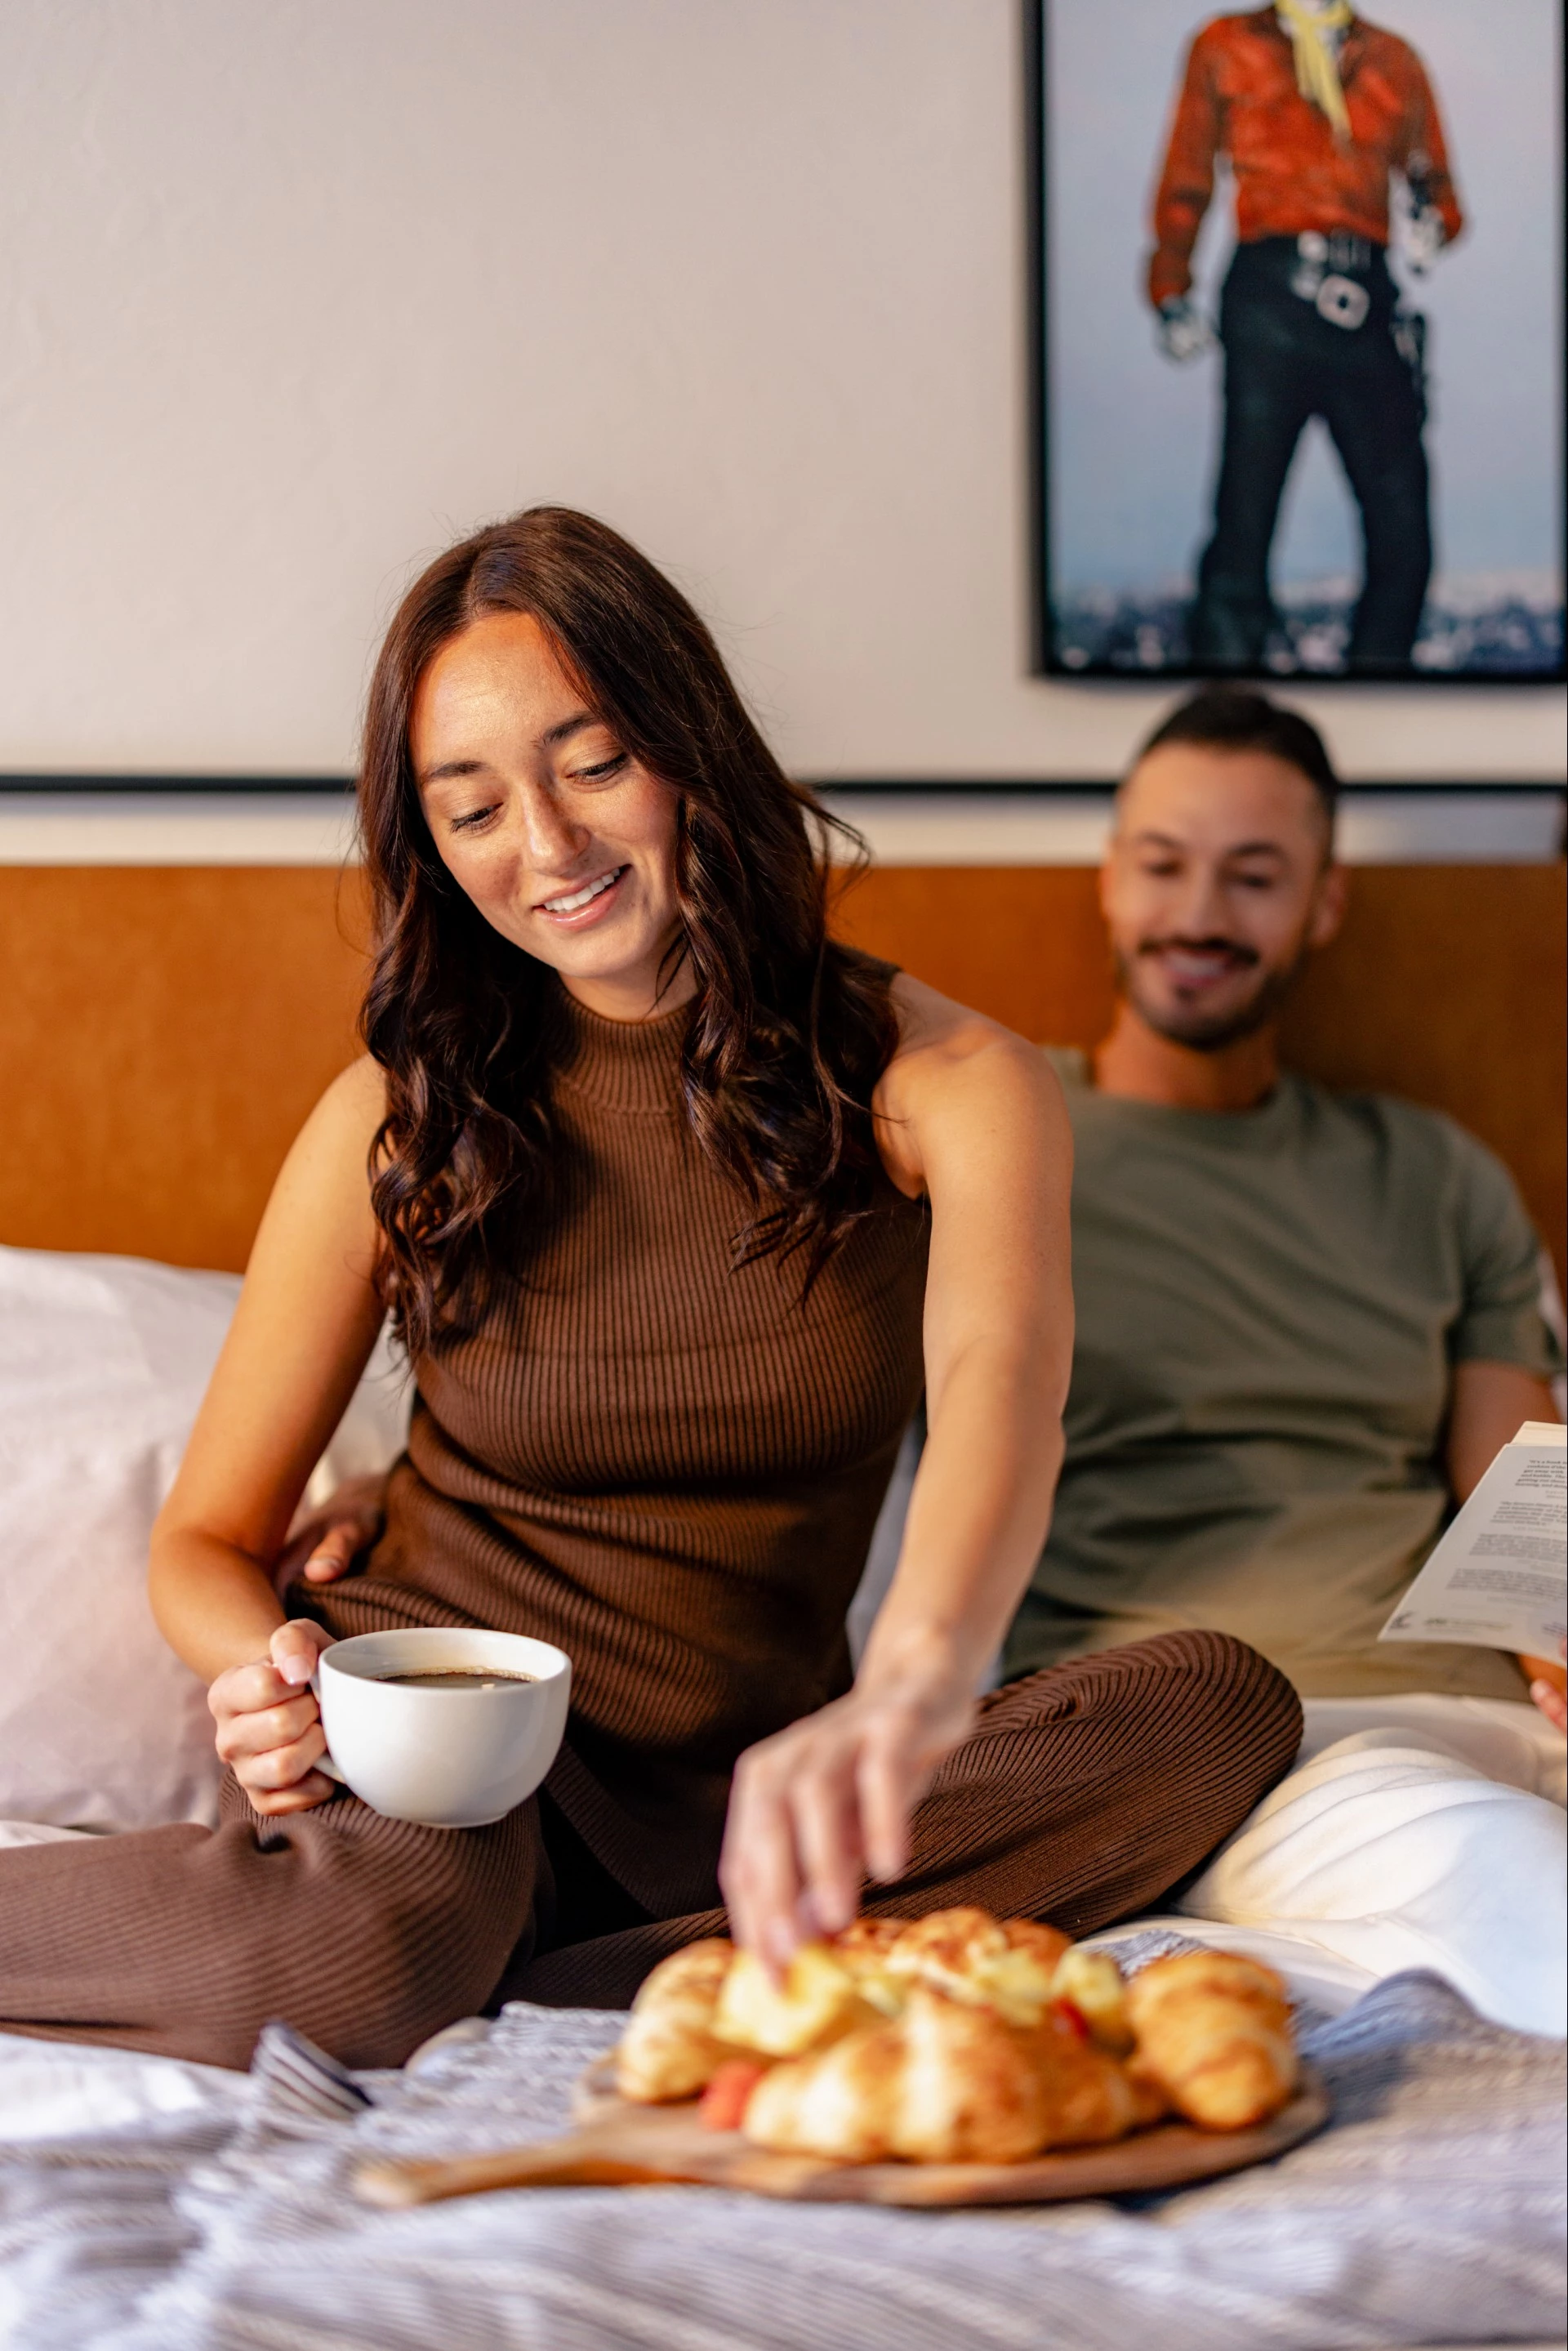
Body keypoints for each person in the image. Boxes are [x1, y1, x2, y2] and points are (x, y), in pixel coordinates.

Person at [0, 513, 1300, 2071]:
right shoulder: (396, 1114)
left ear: (692, 748)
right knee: (368, 1951)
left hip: (763, 1787)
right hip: (453, 1754)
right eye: (470, 806)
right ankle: (627, 1974)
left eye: (595, 762)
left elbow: (1000, 1400)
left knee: (1219, 1705)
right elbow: (206, 1539)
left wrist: (916, 1686)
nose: (545, 846)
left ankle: (563, 1975)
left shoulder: (947, 1082)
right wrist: (264, 1674)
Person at [1004, 687, 1566, 1726]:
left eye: (1254, 878)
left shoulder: (1437, 1176)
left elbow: (1526, 1526)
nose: (1200, 918)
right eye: (1164, 867)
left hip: (1440, 1713)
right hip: (1138, 1720)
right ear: (1111, 880)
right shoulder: (1001, 1140)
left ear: (1325, 903)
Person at [1149, 5, 1463, 671]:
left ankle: (1381, 690)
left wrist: (1433, 221)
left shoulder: (1394, 60)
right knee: (1243, 529)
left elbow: (1435, 181)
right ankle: (1225, 704)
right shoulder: (1226, 45)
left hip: (1368, 300)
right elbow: (1186, 175)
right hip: (1269, 301)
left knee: (1403, 531)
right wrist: (1172, 288)